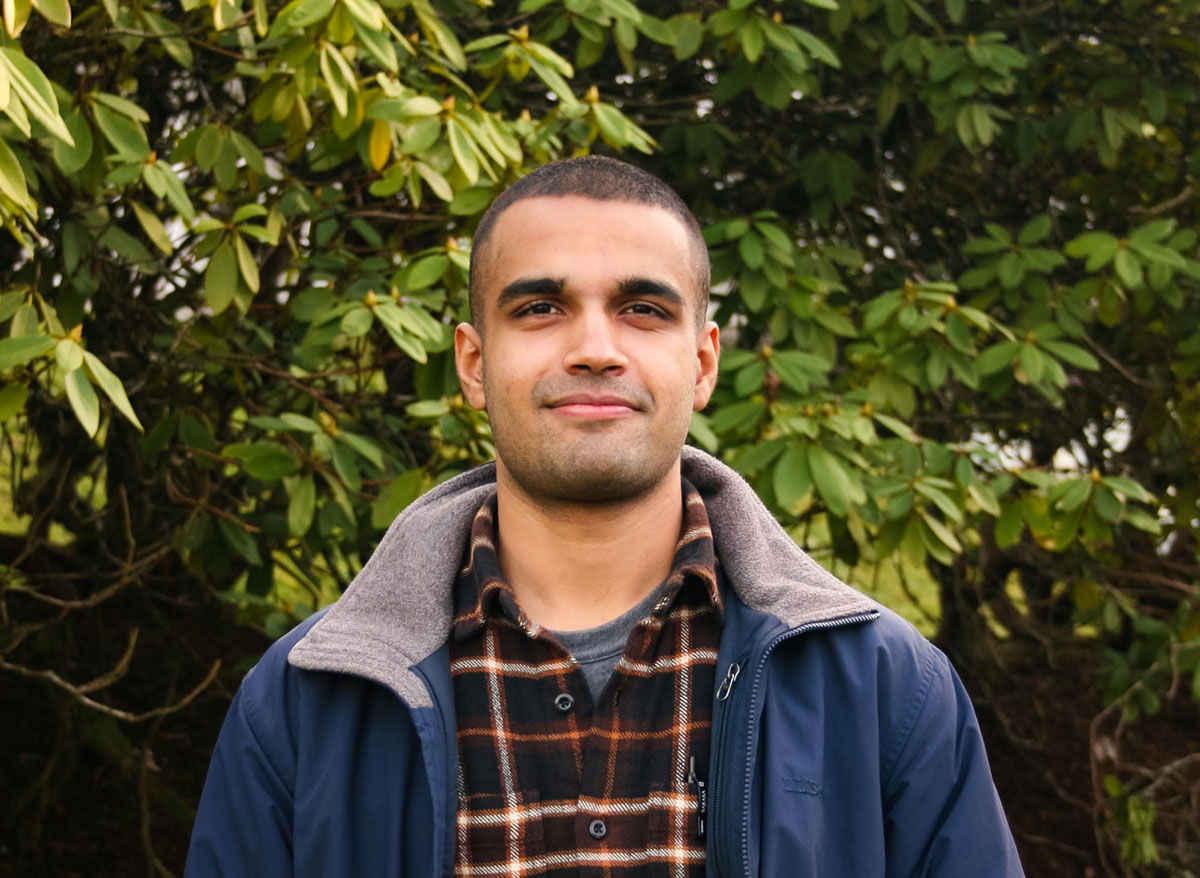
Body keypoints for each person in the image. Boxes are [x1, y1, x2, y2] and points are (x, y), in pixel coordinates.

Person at [185, 156, 1024, 877]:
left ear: (702, 362)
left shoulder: (887, 691)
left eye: (644, 309)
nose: (595, 346)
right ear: (474, 365)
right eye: (541, 308)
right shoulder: (303, 703)